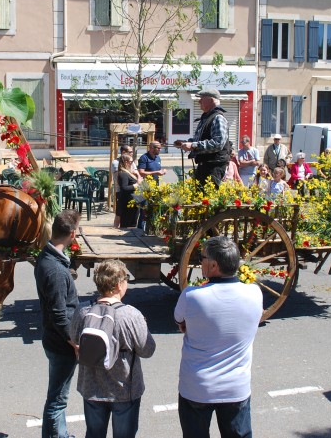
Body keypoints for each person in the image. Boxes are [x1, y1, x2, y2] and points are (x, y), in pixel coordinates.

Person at [174, 236, 263, 438]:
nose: (200, 261)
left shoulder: (191, 295)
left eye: (202, 257)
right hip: (235, 387)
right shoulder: (255, 293)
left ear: (213, 265)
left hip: (197, 386)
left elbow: (179, 320)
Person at [69, 259, 156, 438]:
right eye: (126, 280)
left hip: (91, 388)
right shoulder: (131, 315)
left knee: (94, 434)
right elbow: (147, 350)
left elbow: (74, 340)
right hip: (125, 389)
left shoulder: (83, 312)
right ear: (118, 285)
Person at [35, 210, 81, 438]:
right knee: (57, 399)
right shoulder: (54, 270)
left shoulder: (48, 257)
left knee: (58, 396)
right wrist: (73, 342)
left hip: (54, 338)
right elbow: (59, 313)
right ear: (72, 234)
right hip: (61, 343)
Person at [175, 89, 231, 187]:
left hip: (214, 167)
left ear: (211, 100)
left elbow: (218, 143)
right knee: (200, 198)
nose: (199, 101)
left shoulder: (218, 118)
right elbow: (200, 140)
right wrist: (185, 143)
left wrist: (193, 145)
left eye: (202, 99)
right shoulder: (207, 117)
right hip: (205, 166)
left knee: (208, 200)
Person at [115, 155, 140, 229]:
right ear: (126, 162)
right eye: (131, 162)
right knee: (127, 224)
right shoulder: (123, 173)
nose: (132, 164)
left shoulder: (128, 172)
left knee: (132, 223)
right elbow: (124, 188)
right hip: (127, 203)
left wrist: (137, 175)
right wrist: (136, 185)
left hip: (133, 201)